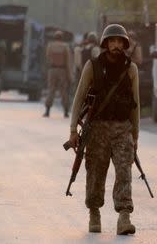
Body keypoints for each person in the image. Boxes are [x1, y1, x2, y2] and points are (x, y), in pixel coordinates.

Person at [67, 24, 140, 235]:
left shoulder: (131, 69)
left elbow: (135, 104)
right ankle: (94, 213)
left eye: (120, 42)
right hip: (97, 128)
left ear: (124, 44)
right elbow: (79, 97)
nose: (116, 45)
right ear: (106, 44)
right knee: (96, 172)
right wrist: (73, 130)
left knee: (124, 171)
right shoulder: (93, 66)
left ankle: (124, 216)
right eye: (112, 41)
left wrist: (135, 135)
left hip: (122, 128)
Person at [43, 31, 72, 118]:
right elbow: (68, 61)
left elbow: (47, 57)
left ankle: (47, 111)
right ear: (61, 38)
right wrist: (69, 74)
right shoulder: (65, 46)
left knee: (51, 89)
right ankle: (66, 111)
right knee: (64, 91)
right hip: (62, 70)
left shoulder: (50, 46)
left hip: (52, 70)